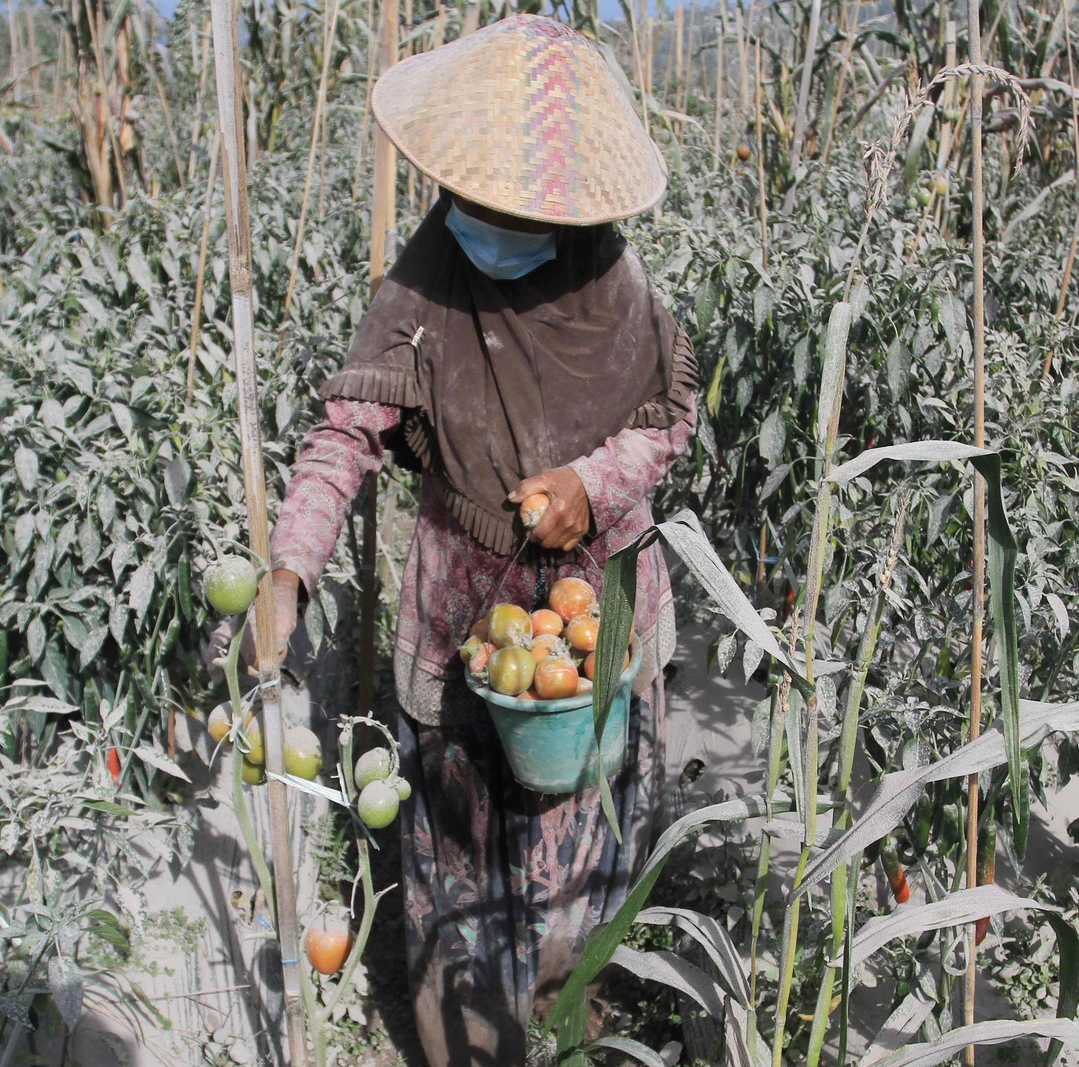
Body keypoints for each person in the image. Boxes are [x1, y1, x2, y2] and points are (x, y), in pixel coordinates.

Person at [265, 15, 696, 1064]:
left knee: (576, 875)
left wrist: (590, 486)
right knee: (457, 879)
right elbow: (343, 436)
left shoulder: (619, 291)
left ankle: (565, 1014)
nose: (486, 226)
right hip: (461, 612)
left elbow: (673, 422)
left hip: (596, 619)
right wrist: (290, 561)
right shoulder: (424, 284)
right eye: (474, 201)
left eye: (515, 212)